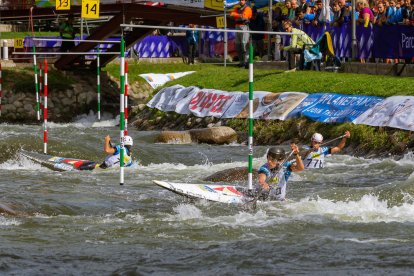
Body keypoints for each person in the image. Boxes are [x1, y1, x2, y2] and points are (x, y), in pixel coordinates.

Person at [230, 0, 252, 68]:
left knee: (244, 45)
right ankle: (241, 62)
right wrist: (239, 15)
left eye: (242, 0)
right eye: (240, 0)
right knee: (238, 45)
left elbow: (244, 17)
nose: (241, 1)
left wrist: (237, 15)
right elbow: (231, 15)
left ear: (245, 1)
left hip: (244, 27)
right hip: (237, 27)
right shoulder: (237, 8)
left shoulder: (248, 8)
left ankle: (246, 63)